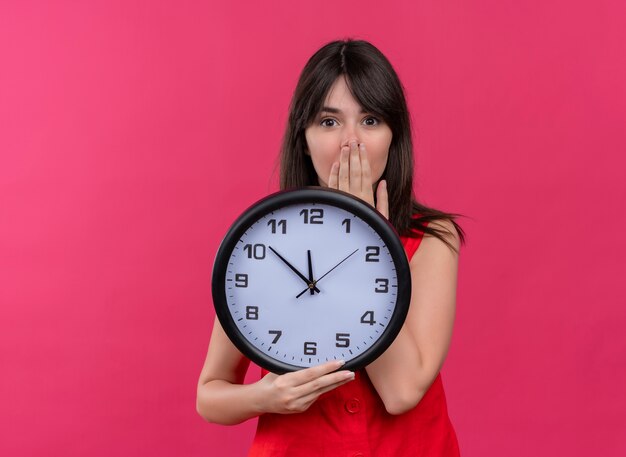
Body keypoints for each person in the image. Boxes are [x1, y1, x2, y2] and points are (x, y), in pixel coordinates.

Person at [197, 39, 466, 456]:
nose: (350, 142)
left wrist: (363, 236)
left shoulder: (432, 238)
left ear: (394, 137)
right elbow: (210, 394)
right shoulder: (262, 241)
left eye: (371, 120)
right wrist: (267, 396)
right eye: (329, 122)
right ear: (303, 138)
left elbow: (401, 392)